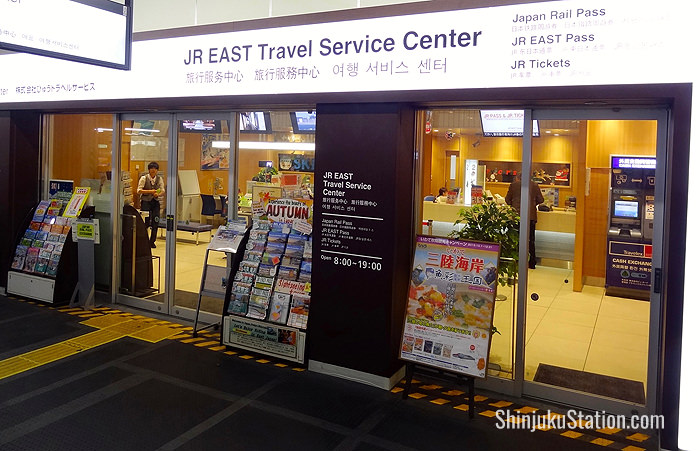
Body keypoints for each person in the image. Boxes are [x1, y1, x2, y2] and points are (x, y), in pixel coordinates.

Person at [505, 172, 544, 269]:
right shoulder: (534, 185)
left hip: (517, 216)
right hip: (530, 217)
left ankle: (516, 261)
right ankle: (531, 263)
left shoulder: (513, 185)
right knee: (530, 240)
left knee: (516, 240)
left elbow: (507, 200)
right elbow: (541, 200)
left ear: (518, 178)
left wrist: (513, 204)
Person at [137, 161, 165, 248]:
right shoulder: (144, 178)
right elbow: (139, 190)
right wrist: (150, 191)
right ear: (149, 170)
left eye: (155, 169)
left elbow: (162, 190)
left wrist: (158, 194)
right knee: (146, 222)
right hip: (145, 202)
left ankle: (152, 241)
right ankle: (144, 240)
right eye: (152, 168)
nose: (153, 170)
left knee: (155, 221)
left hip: (155, 202)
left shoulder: (159, 179)